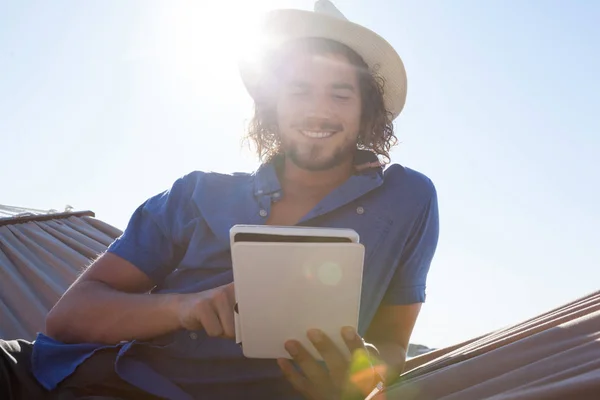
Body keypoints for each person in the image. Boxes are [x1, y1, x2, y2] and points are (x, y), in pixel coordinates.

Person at [0, 1, 439, 399]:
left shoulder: (407, 198)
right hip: (47, 373)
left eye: (340, 93)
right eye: (298, 90)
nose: (318, 111)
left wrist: (357, 379)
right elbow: (68, 318)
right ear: (272, 105)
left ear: (366, 109)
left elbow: (393, 343)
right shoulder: (196, 193)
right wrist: (185, 307)